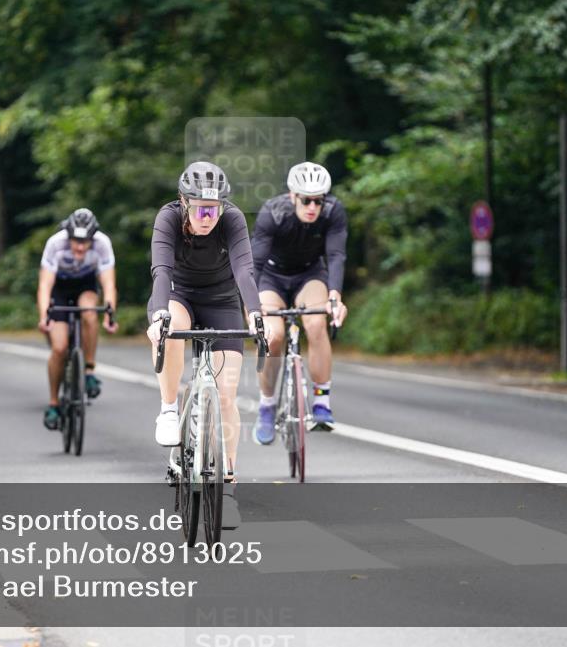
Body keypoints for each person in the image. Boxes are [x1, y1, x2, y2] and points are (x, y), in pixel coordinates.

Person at [147, 161, 267, 525]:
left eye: (214, 208)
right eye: (200, 208)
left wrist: (256, 313)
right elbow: (161, 272)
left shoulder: (231, 219)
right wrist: (158, 315)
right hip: (179, 295)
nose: (207, 216)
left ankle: (227, 486)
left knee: (227, 394)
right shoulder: (167, 218)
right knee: (169, 329)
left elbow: (245, 270)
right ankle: (169, 408)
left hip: (221, 301)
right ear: (183, 202)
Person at [252, 161, 349, 443]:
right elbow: (255, 264)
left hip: (309, 273)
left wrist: (334, 298)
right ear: (293, 195)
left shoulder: (333, 212)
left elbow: (336, 257)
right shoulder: (273, 213)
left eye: (318, 201)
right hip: (271, 275)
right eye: (306, 200)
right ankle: (267, 405)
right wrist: (250, 307)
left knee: (317, 323)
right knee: (273, 336)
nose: (312, 207)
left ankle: (322, 402)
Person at [37, 208, 118, 429]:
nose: (80, 247)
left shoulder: (102, 244)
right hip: (59, 289)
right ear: (68, 235)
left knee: (89, 313)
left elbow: (108, 284)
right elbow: (45, 285)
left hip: (85, 285)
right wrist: (44, 314)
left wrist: (110, 315)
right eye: (75, 241)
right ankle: (54, 403)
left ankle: (89, 369)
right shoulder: (55, 244)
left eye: (85, 242)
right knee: (59, 348)